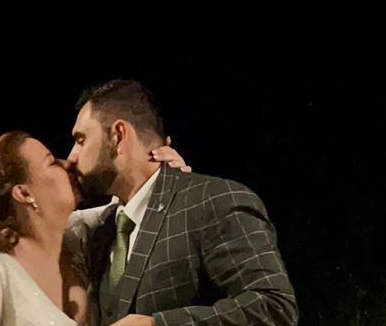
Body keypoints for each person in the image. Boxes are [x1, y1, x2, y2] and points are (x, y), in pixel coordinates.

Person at [66, 79, 299, 326]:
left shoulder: (212, 199)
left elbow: (274, 308)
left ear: (118, 135)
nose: (72, 156)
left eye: (80, 140)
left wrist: (157, 324)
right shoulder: (100, 232)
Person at [0, 130, 187, 326]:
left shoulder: (79, 255)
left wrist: (162, 182)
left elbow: (131, 210)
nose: (68, 163)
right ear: (25, 193)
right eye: (51, 161)